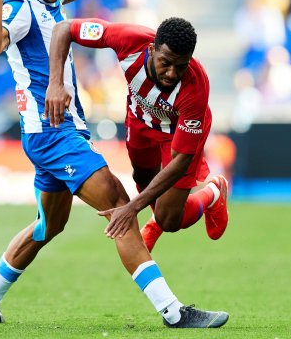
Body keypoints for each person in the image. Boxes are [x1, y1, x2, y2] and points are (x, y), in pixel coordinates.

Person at [0, 0, 228, 329]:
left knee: (47, 225)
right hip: (53, 133)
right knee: (119, 203)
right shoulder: (20, 6)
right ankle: (173, 312)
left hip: (48, 133)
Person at [46, 16, 230, 253]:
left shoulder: (196, 87)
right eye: (165, 62)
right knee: (142, 177)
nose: (172, 74)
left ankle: (213, 192)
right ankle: (157, 217)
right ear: (152, 49)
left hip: (175, 134)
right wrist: (55, 84)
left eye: (180, 66)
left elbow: (181, 160)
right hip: (139, 120)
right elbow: (63, 29)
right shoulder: (128, 39)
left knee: (170, 220)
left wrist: (133, 208)